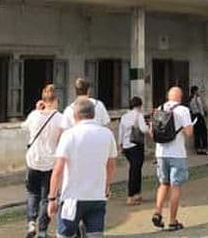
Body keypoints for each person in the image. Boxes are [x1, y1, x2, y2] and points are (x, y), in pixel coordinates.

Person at [47, 98, 117, 238]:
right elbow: (111, 166)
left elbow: (58, 169)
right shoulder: (107, 134)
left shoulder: (69, 135)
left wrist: (52, 198)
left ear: (75, 115)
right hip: (97, 196)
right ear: (93, 114)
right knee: (95, 235)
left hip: (72, 198)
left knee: (65, 235)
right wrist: (107, 186)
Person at [22, 84, 63, 238]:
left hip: (33, 160)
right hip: (50, 163)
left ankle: (31, 223)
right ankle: (43, 230)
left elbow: (23, 126)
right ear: (56, 100)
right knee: (47, 197)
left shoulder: (34, 115)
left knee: (33, 193)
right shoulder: (60, 118)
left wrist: (37, 110)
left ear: (43, 100)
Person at [151, 86, 194, 232]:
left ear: (168, 96)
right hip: (177, 153)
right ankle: (172, 220)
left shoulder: (159, 108)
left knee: (163, 184)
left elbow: (152, 133)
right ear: (180, 97)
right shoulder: (183, 110)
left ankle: (157, 212)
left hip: (161, 152)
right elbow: (189, 132)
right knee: (175, 186)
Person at [118, 96, 148, 205]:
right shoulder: (138, 115)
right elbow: (144, 129)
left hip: (126, 146)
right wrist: (149, 127)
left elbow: (120, 132)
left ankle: (137, 193)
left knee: (135, 169)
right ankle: (131, 195)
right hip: (136, 145)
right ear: (140, 105)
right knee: (135, 171)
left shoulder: (124, 116)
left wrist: (120, 145)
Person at [188, 86, 208, 155]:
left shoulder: (190, 99)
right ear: (195, 91)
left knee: (196, 132)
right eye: (197, 90)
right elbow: (201, 107)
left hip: (194, 116)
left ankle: (198, 148)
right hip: (199, 115)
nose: (199, 92)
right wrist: (204, 115)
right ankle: (204, 147)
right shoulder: (197, 98)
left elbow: (190, 108)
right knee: (203, 132)